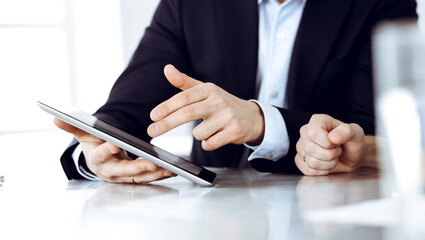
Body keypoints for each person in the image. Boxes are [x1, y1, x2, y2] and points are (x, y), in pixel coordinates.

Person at [55, 0, 417, 183]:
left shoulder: (379, 3)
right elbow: (126, 108)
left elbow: (371, 131)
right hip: (214, 214)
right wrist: (94, 154)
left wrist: (264, 123)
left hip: (330, 211)